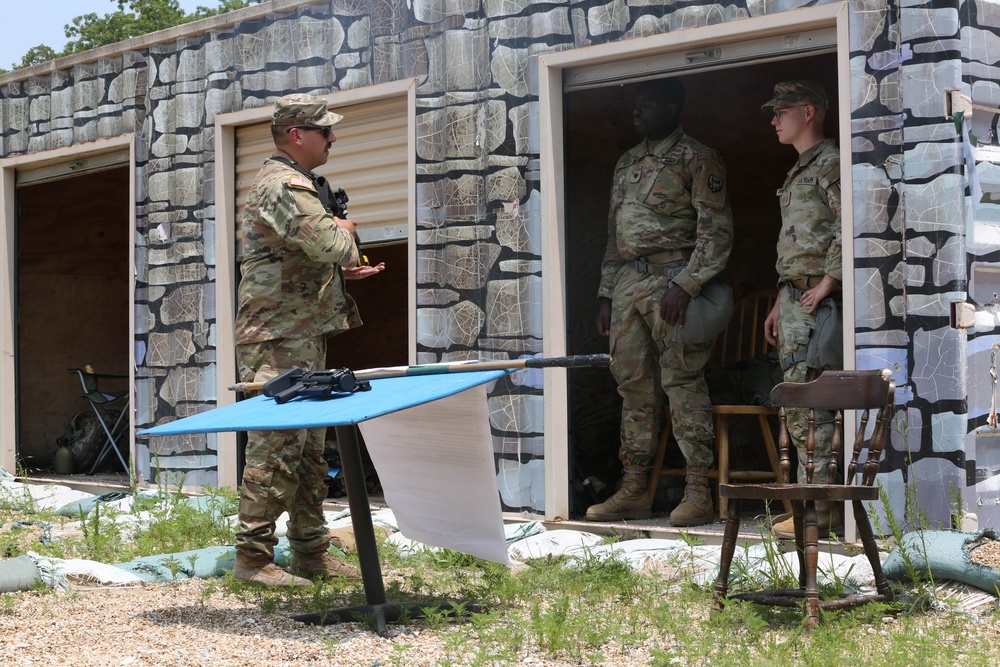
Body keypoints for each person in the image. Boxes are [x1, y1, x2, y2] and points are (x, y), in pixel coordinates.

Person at [233, 94, 385, 586]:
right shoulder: (284, 184)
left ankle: (310, 554)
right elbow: (329, 242)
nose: (333, 138)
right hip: (277, 337)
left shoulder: (295, 183)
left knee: (310, 449)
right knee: (277, 446)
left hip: (299, 332)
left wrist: (342, 272)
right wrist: (346, 230)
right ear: (296, 135)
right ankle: (253, 560)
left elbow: (305, 256)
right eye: (325, 131)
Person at [586, 78, 734, 526]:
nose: (636, 111)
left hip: (674, 282)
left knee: (682, 382)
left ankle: (697, 490)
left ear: (672, 107)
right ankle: (633, 489)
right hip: (630, 283)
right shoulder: (628, 162)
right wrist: (608, 294)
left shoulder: (697, 156)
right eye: (634, 105)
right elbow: (616, 237)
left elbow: (717, 231)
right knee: (631, 385)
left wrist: (687, 284)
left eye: (646, 104)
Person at [760, 81, 843, 539]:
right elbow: (797, 245)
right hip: (793, 297)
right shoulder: (798, 169)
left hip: (816, 300)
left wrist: (829, 281)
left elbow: (846, 223)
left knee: (812, 404)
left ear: (808, 112)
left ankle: (819, 511)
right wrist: (778, 301)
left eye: (781, 111)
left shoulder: (829, 162)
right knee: (798, 402)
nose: (774, 120)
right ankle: (812, 504)